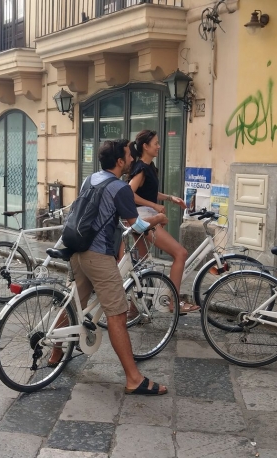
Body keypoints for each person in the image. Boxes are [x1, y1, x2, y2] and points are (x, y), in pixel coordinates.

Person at [53, 139, 170, 395]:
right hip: (97, 255)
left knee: (74, 303)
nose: (131, 159)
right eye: (128, 156)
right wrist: (158, 218)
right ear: (119, 161)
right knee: (116, 314)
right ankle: (133, 379)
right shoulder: (120, 188)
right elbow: (137, 225)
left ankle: (54, 352)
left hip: (77, 249)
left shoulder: (90, 179)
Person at [128, 130, 198, 315]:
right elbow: (129, 193)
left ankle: (134, 310)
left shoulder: (149, 167)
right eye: (156, 143)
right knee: (180, 254)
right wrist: (154, 206)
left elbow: (146, 192)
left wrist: (169, 198)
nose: (159, 146)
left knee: (142, 267)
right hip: (144, 217)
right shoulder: (141, 168)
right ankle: (173, 303)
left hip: (141, 215)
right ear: (145, 146)